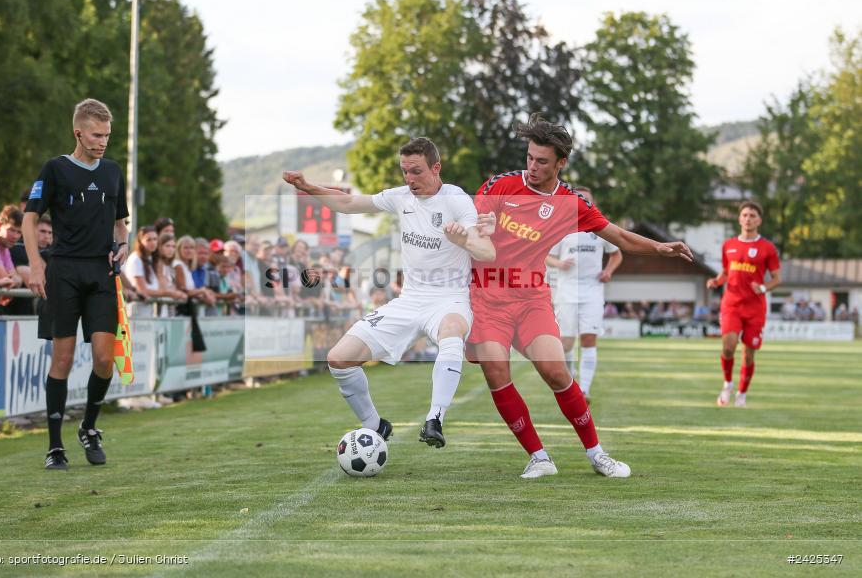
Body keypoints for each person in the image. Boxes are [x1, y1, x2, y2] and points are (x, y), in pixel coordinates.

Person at [468, 114, 694, 479]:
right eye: (529, 157)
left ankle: (597, 453)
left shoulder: (571, 203)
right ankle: (539, 457)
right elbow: (473, 233)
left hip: (530, 300)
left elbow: (619, 237)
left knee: (555, 371)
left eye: (542, 161)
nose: (532, 167)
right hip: (486, 300)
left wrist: (661, 249)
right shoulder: (501, 185)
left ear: (561, 163)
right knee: (496, 370)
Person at [283, 136, 496, 448]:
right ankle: (375, 425)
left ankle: (435, 419)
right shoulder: (401, 197)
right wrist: (309, 187)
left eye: (417, 171)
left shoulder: (456, 200)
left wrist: (464, 239)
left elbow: (486, 251)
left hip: (449, 299)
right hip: (409, 301)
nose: (409, 179)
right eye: (405, 171)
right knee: (338, 359)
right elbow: (349, 203)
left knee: (451, 334)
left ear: (436, 168)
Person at [22, 98, 129, 470]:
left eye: (107, 135)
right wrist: (36, 264)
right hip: (63, 272)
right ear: (78, 132)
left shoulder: (114, 171)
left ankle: (89, 427)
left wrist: (125, 246)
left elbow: (121, 224)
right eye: (96, 135)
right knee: (63, 360)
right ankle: (55, 447)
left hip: (101, 274)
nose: (102, 142)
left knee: (104, 359)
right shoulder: (54, 169)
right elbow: (29, 219)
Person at [545, 186, 622, 402]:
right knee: (566, 343)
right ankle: (571, 382)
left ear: (592, 202)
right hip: (566, 291)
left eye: (586, 199)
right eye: (579, 199)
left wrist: (607, 271)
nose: (583, 202)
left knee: (589, 339)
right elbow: (546, 256)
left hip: (593, 292)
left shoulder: (600, 228)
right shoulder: (560, 228)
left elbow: (616, 255)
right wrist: (559, 263)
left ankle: (584, 390)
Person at [706, 201, 781, 408]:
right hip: (731, 304)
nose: (748, 218)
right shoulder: (728, 245)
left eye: (753, 215)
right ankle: (728, 384)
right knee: (728, 346)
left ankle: (742, 394)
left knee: (748, 354)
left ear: (759, 220)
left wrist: (764, 288)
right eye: (745, 215)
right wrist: (716, 281)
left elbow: (776, 278)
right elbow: (726, 273)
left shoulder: (767, 248)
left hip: (755, 308)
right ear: (739, 219)